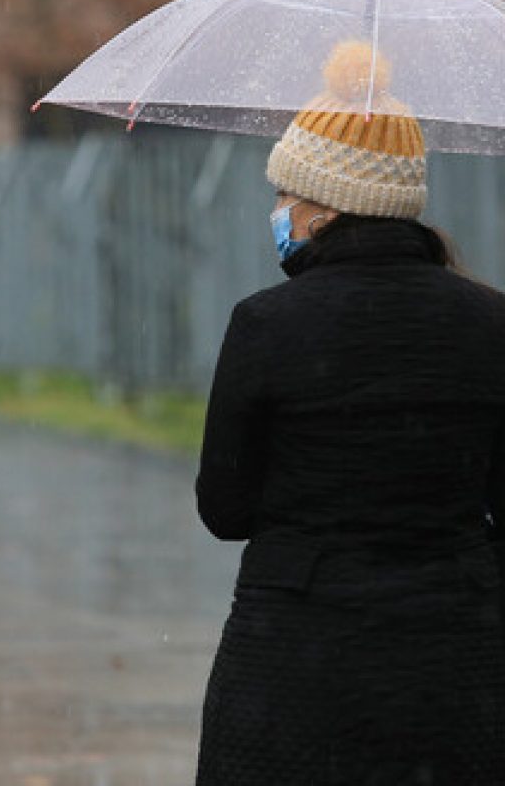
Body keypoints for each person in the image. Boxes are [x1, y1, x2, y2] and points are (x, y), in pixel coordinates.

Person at [194, 41, 505, 786]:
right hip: (458, 665)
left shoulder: (266, 324)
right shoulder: (490, 323)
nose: (277, 212)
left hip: (294, 661)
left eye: (285, 195)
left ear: (326, 203)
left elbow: (225, 509)